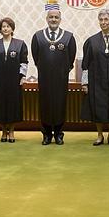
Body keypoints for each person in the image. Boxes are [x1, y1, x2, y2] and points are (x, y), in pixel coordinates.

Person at [81, 9, 109, 146]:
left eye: (106, 19)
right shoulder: (91, 41)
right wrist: (85, 83)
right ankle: (100, 135)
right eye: (101, 20)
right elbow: (85, 64)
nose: (103, 22)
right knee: (98, 109)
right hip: (97, 82)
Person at [31, 10, 76, 145]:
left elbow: (71, 57)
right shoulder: (38, 36)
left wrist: (62, 71)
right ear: (46, 19)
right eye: (51, 17)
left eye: (56, 17)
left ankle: (58, 134)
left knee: (60, 105)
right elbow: (35, 56)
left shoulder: (68, 37)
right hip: (44, 79)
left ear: (60, 19)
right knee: (45, 105)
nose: (53, 19)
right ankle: (46, 135)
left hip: (61, 79)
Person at [0, 17, 28, 143]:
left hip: (14, 81)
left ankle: (12, 131)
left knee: (13, 105)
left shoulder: (20, 44)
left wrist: (22, 77)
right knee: (0, 105)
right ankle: (4, 131)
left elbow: (24, 62)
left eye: (8, 26)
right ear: (0, 29)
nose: (5, 28)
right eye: (3, 27)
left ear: (12, 28)